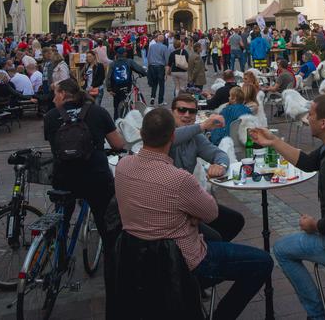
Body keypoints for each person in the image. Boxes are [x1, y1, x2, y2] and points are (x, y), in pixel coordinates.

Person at [114, 108, 272, 320]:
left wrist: (188, 213)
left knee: (222, 231)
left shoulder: (123, 166)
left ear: (142, 135)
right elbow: (212, 212)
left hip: (136, 257)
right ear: (172, 136)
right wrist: (190, 215)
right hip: (181, 261)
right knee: (263, 262)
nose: (187, 115)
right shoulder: (178, 178)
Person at [249, 95, 325, 320]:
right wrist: (273, 142)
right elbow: (307, 162)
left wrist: (312, 224)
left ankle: (317, 314)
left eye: (312, 115)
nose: (308, 119)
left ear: (323, 123)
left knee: (281, 249)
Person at [43, 78, 125, 242]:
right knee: (106, 227)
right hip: (96, 178)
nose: (53, 99)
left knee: (62, 219)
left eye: (55, 94)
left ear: (63, 94)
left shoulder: (51, 116)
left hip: (63, 179)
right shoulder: (98, 112)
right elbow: (118, 144)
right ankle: (110, 258)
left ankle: (60, 255)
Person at [168, 94, 244, 242]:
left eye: (192, 111)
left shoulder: (195, 137)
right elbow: (170, 138)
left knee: (235, 220)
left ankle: (206, 257)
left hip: (188, 200)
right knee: (214, 237)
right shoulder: (164, 132)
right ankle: (200, 257)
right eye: (182, 110)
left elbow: (218, 153)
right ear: (172, 112)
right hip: (168, 204)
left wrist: (220, 165)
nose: (187, 115)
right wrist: (202, 126)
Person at [105, 47, 147, 118]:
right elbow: (139, 69)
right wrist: (144, 73)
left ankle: (116, 121)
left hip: (115, 88)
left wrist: (109, 89)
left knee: (116, 107)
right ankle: (126, 118)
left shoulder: (113, 64)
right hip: (126, 87)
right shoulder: (129, 61)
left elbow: (108, 77)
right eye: (125, 52)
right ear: (124, 54)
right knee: (126, 102)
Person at [146, 33, 171, 105]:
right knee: (161, 84)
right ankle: (160, 101)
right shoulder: (164, 47)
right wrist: (167, 69)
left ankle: (152, 97)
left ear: (157, 39)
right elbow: (167, 59)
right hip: (160, 67)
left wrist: (149, 66)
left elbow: (148, 57)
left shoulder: (152, 46)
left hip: (152, 67)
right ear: (163, 40)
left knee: (154, 83)